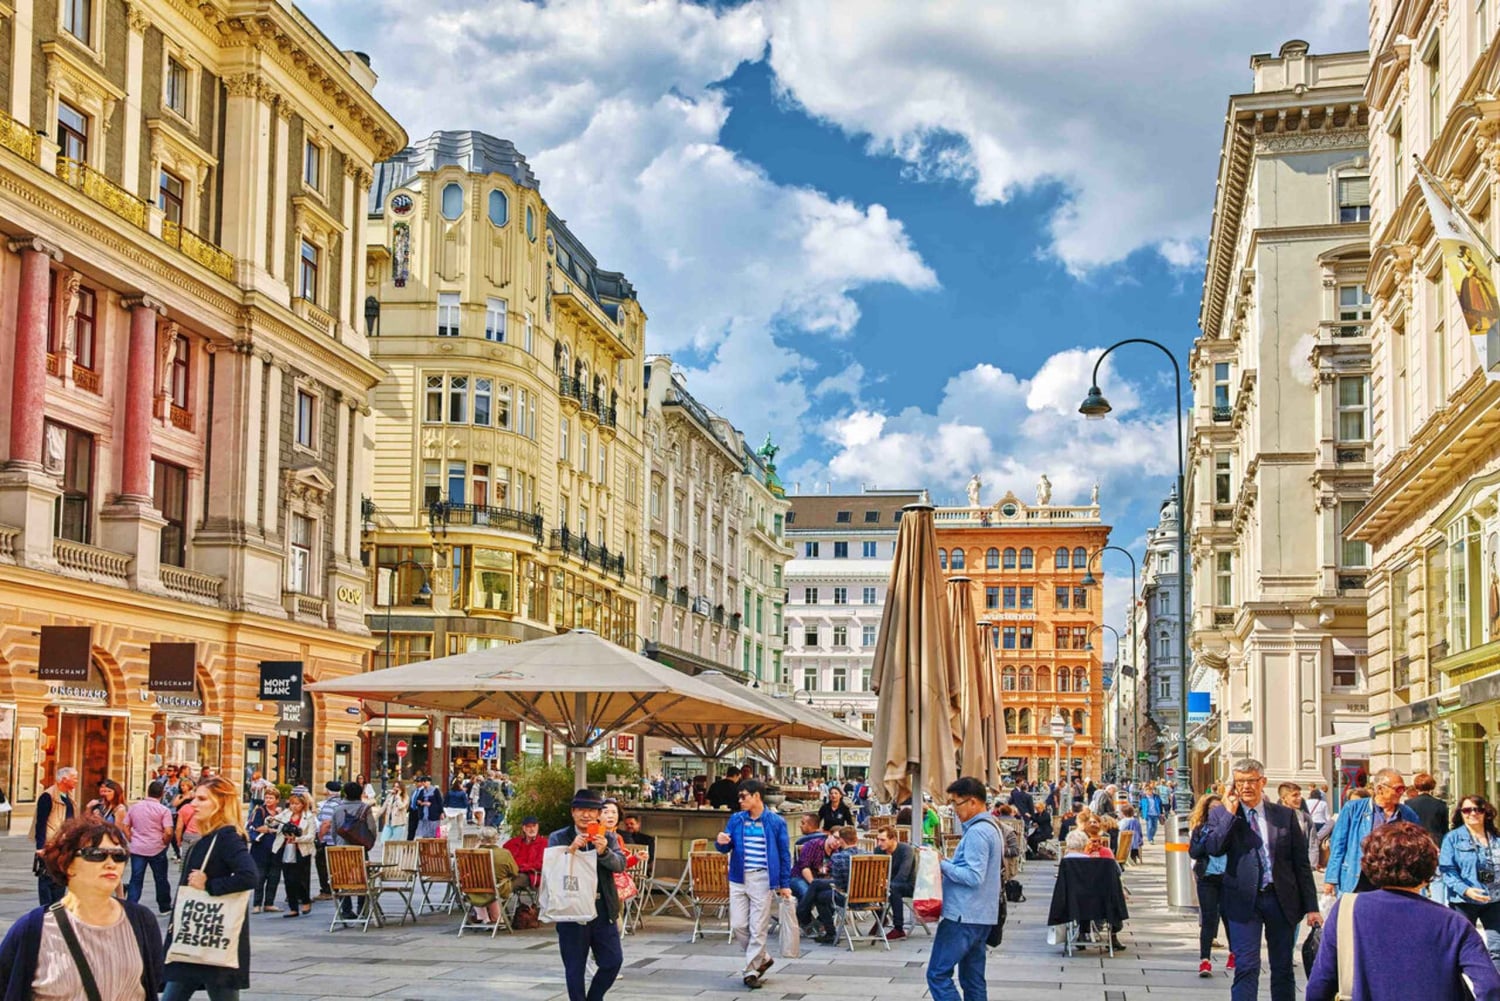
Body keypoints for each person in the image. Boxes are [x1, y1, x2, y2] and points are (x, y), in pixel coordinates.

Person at [1307, 821, 1500, 1001]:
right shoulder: (1452, 922)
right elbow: (1489, 985)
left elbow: (1321, 982)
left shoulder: (1347, 909)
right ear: (1429, 868)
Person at [0, 817, 165, 1000]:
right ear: (67, 864)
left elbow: (152, 981)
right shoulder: (32, 929)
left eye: (119, 855)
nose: (111, 863)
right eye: (96, 854)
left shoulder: (141, 921)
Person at [1197, 759, 1319, 1001]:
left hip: (1281, 899)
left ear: (1262, 781)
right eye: (1239, 782)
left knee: (1283, 967)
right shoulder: (1222, 814)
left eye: (1250, 781)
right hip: (1243, 901)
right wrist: (1230, 815)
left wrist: (1312, 907)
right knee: (1246, 966)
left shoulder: (1284, 815)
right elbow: (1213, 848)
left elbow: (1300, 864)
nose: (1245, 787)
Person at [162, 776, 258, 1001]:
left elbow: (249, 876)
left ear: (221, 803)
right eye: (194, 797)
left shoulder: (227, 837)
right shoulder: (212, 836)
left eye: (202, 799)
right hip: (198, 935)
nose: (193, 804)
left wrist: (210, 885)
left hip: (210, 932)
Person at [926, 777, 1004, 1001]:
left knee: (938, 974)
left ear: (972, 802)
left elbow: (973, 876)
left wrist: (941, 863)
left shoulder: (978, 833)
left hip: (962, 915)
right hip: (982, 915)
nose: (953, 809)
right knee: (973, 979)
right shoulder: (991, 827)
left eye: (956, 803)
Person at [548, 789, 627, 1001]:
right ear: (573, 812)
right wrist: (570, 850)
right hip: (571, 910)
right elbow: (551, 869)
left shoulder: (607, 837)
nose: (587, 815)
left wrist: (604, 852)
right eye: (581, 810)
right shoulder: (559, 837)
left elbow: (620, 865)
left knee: (612, 961)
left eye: (592, 811)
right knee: (575, 968)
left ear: (598, 814)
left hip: (602, 909)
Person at [714, 779, 792, 989]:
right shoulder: (736, 819)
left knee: (758, 927)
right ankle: (763, 957)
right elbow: (725, 847)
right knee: (739, 924)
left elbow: (785, 855)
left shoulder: (775, 822)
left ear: (756, 796)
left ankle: (751, 970)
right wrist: (720, 842)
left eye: (743, 796)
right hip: (738, 877)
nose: (739, 800)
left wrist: (784, 883)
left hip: (763, 879)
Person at [1323, 768, 1419, 895]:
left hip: (1392, 881)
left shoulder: (1407, 814)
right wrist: (1331, 879)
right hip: (1357, 878)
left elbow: (1416, 847)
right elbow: (1338, 845)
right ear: (1380, 789)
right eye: (1397, 789)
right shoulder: (1353, 809)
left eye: (1403, 789)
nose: (1401, 793)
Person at [1441, 794, 1500, 968]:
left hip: (1494, 900)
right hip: (1464, 901)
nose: (1472, 813)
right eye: (1467, 810)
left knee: (1497, 948)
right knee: (1463, 946)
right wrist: (1466, 890)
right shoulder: (1452, 838)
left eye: (1478, 809)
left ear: (1485, 812)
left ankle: (1495, 991)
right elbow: (1447, 871)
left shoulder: (1495, 838)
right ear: (1461, 813)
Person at [1187, 792, 1234, 978]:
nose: (1216, 812)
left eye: (1219, 808)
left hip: (1228, 878)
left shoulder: (1231, 829)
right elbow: (1194, 852)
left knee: (1229, 918)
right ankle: (1205, 960)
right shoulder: (1200, 829)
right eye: (1212, 809)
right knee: (1208, 920)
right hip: (1207, 877)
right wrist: (1207, 838)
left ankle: (1234, 954)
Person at [327, 781, 376, 921]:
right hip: (359, 848)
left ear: (345, 794)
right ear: (360, 794)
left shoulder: (337, 809)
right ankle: (362, 908)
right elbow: (372, 828)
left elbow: (333, 831)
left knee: (342, 878)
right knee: (363, 877)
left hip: (341, 849)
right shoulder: (365, 808)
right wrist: (369, 841)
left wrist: (338, 843)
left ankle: (346, 909)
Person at [125, 780, 177, 914]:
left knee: (136, 878)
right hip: (156, 847)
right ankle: (164, 906)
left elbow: (125, 826)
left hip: (138, 847)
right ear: (162, 793)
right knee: (161, 878)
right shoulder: (163, 810)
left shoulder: (135, 807)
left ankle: (131, 905)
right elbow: (168, 831)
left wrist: (131, 838)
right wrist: (165, 842)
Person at [31, 767, 78, 907]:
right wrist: (40, 847)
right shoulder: (48, 796)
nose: (76, 781)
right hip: (51, 843)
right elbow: (41, 823)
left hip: (64, 843)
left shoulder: (68, 796)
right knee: (47, 876)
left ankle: (57, 907)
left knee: (60, 876)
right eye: (74, 777)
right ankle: (46, 909)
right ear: (64, 779)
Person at [273, 792, 315, 919]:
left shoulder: (308, 817)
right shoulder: (285, 814)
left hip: (301, 850)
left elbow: (311, 836)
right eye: (292, 803)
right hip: (286, 848)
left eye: (297, 804)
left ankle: (305, 900)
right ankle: (293, 907)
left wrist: (297, 839)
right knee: (288, 878)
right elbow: (274, 822)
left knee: (300, 878)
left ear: (303, 804)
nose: (294, 806)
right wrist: (269, 820)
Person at [465, 827, 518, 926]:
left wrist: (476, 848)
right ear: (496, 838)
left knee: (484, 886)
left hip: (473, 890)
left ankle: (485, 919)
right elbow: (514, 872)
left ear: (480, 839)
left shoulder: (469, 854)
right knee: (496, 885)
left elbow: (460, 870)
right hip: (496, 889)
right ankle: (496, 919)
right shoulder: (504, 853)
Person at [875, 825, 916, 940]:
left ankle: (898, 928)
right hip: (888, 884)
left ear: (893, 839)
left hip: (908, 886)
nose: (879, 843)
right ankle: (880, 918)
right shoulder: (879, 850)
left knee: (894, 887)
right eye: (878, 839)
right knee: (869, 887)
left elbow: (903, 875)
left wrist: (886, 883)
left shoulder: (906, 850)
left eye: (883, 840)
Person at [247, 787, 282, 913]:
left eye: (271, 798)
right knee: (260, 877)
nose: (268, 800)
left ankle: (269, 903)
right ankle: (257, 904)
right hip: (260, 848)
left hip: (276, 848)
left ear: (277, 800)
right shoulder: (260, 811)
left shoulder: (280, 814)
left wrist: (269, 829)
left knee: (274, 876)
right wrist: (270, 829)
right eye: (266, 797)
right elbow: (257, 827)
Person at [791, 813, 829, 905]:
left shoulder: (802, 842)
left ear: (811, 825)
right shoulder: (826, 839)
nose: (800, 826)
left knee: (807, 894)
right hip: (820, 877)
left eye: (803, 823)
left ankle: (803, 917)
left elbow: (799, 864)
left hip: (799, 876)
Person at [312, 781, 341, 900]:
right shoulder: (341, 803)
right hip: (338, 841)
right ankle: (337, 888)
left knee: (323, 865)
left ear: (328, 791)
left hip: (328, 841)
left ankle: (326, 890)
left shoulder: (329, 805)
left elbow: (326, 823)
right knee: (336, 867)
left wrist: (319, 837)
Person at [1407, 772, 1450, 847]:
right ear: (1432, 786)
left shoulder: (1408, 804)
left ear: (1416, 786)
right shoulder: (1440, 804)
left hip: (1415, 842)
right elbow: (1444, 828)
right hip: (1435, 842)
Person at [505, 816, 546, 892]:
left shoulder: (543, 843)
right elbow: (503, 855)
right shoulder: (515, 842)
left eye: (534, 826)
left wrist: (523, 867)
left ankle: (497, 900)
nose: (532, 829)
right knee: (496, 880)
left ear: (538, 827)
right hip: (512, 873)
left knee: (509, 885)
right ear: (524, 828)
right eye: (529, 827)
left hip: (530, 875)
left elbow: (542, 863)